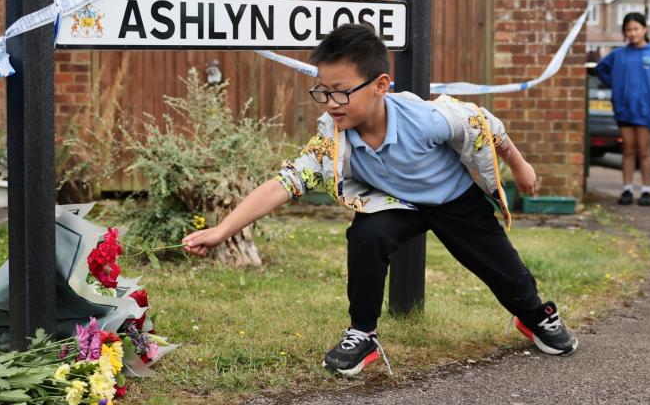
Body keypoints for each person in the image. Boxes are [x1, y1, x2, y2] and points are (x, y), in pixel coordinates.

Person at [182, 24, 578, 376]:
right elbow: (281, 184)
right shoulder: (331, 142)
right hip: (396, 203)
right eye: (323, 92)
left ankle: (533, 316)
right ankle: (362, 333)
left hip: (453, 198)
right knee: (367, 236)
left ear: (380, 85)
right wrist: (221, 230)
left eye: (342, 92)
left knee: (503, 268)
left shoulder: (424, 119)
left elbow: (483, 125)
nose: (331, 103)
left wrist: (520, 165)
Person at [594, 12, 650, 207]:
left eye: (636, 28)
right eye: (628, 29)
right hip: (624, 111)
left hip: (647, 113)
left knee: (644, 151)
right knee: (628, 150)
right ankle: (627, 188)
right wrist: (617, 85)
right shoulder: (619, 55)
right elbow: (600, 69)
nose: (632, 33)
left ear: (645, 29)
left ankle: (647, 190)